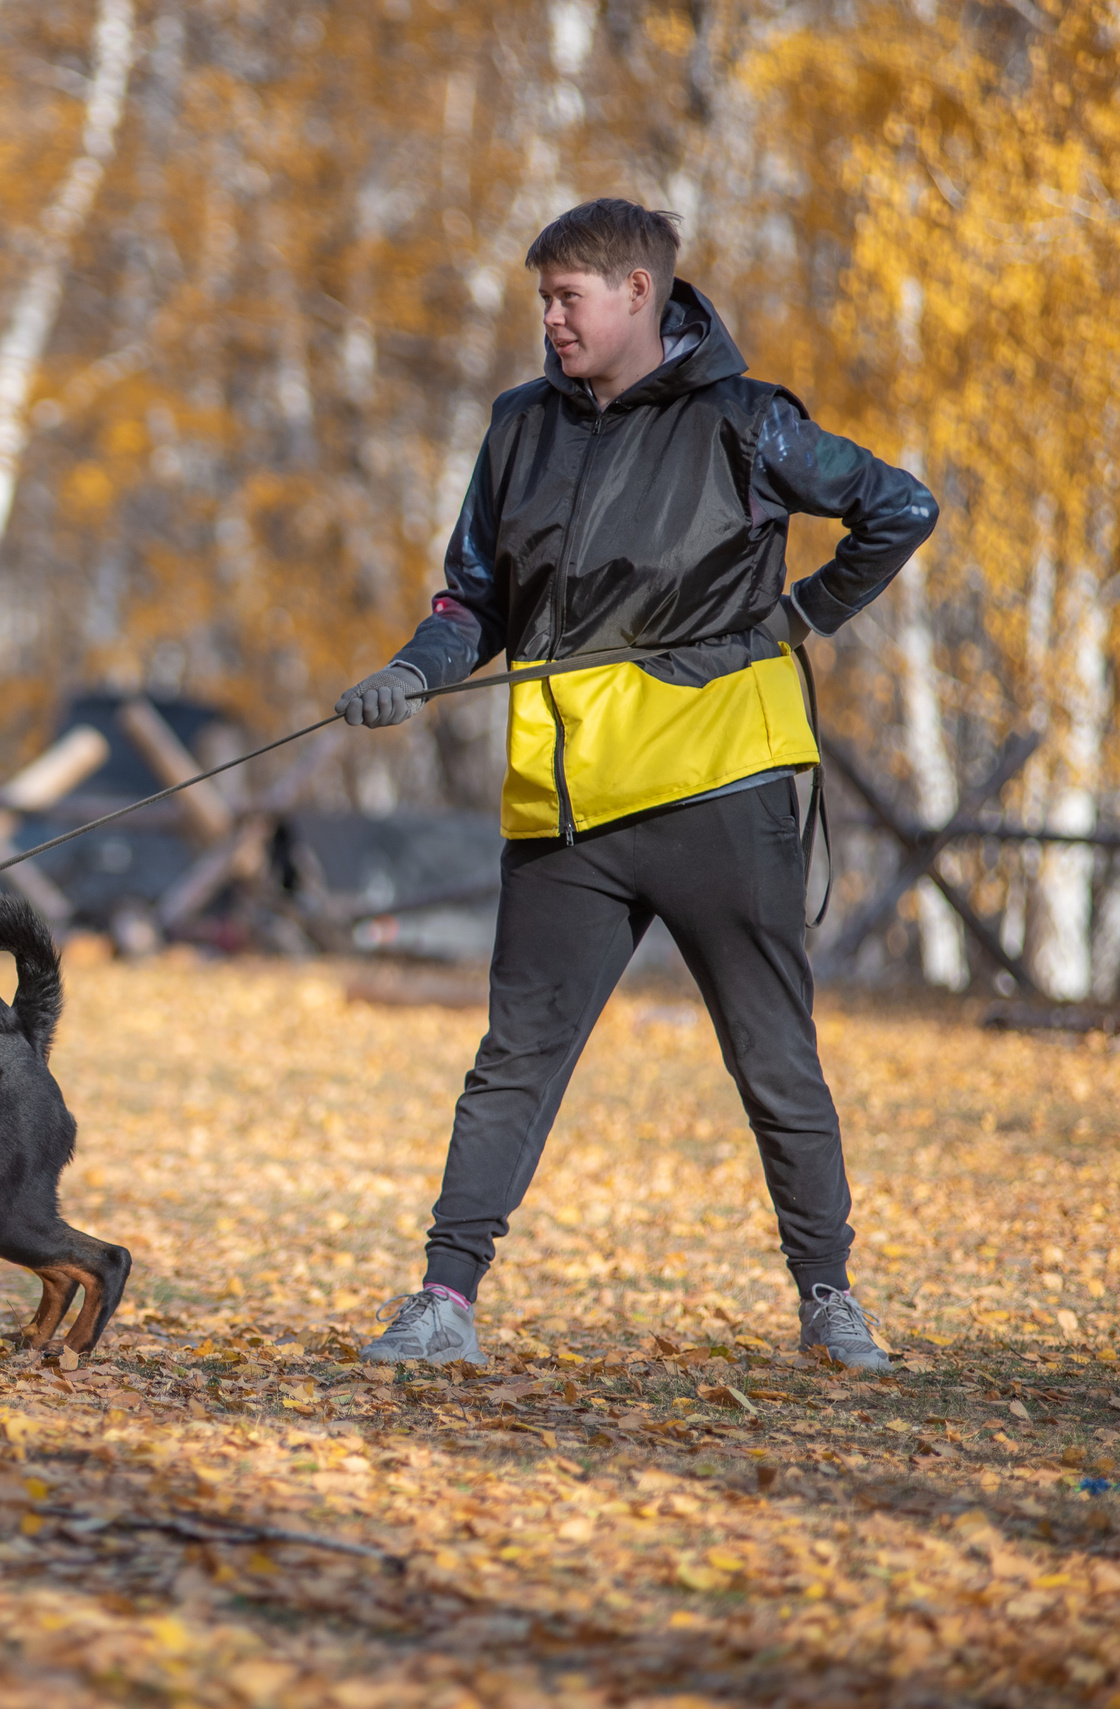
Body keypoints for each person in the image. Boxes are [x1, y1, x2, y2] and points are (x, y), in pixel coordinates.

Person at [336, 199, 937, 1371]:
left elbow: (898, 507)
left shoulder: (749, 424)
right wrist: (413, 670)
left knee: (773, 1058)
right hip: (569, 801)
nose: (548, 319)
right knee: (514, 1056)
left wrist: (800, 613)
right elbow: (475, 600)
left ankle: (828, 1300)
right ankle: (443, 1302)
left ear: (635, 296)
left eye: (567, 297)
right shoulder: (519, 428)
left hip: (723, 792)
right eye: (541, 299)